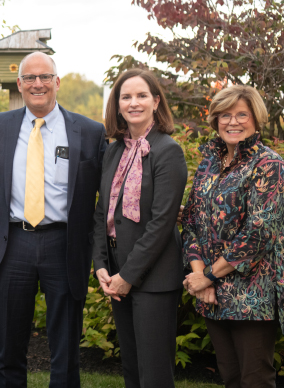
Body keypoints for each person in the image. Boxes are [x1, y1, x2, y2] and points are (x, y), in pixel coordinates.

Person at [0, 51, 106, 387]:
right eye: (30, 78)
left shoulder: (90, 132)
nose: (38, 83)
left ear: (57, 82)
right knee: (9, 346)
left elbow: (109, 192)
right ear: (19, 84)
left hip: (64, 243)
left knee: (65, 346)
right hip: (11, 242)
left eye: (45, 77)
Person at [182, 85, 284, 388]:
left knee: (255, 380)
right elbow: (192, 221)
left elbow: (259, 234)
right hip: (212, 294)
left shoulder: (269, 164)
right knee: (230, 377)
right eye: (225, 115)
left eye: (242, 114)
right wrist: (200, 277)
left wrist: (209, 276)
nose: (233, 122)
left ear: (256, 119)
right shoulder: (209, 163)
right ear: (215, 119)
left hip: (253, 297)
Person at [92, 69, 187, 388]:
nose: (134, 102)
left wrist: (127, 277)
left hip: (153, 277)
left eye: (142, 95)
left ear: (156, 101)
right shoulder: (115, 150)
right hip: (117, 272)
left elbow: (162, 224)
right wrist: (102, 266)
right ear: (117, 105)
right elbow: (102, 212)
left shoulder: (167, 150)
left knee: (154, 373)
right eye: (126, 97)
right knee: (131, 369)